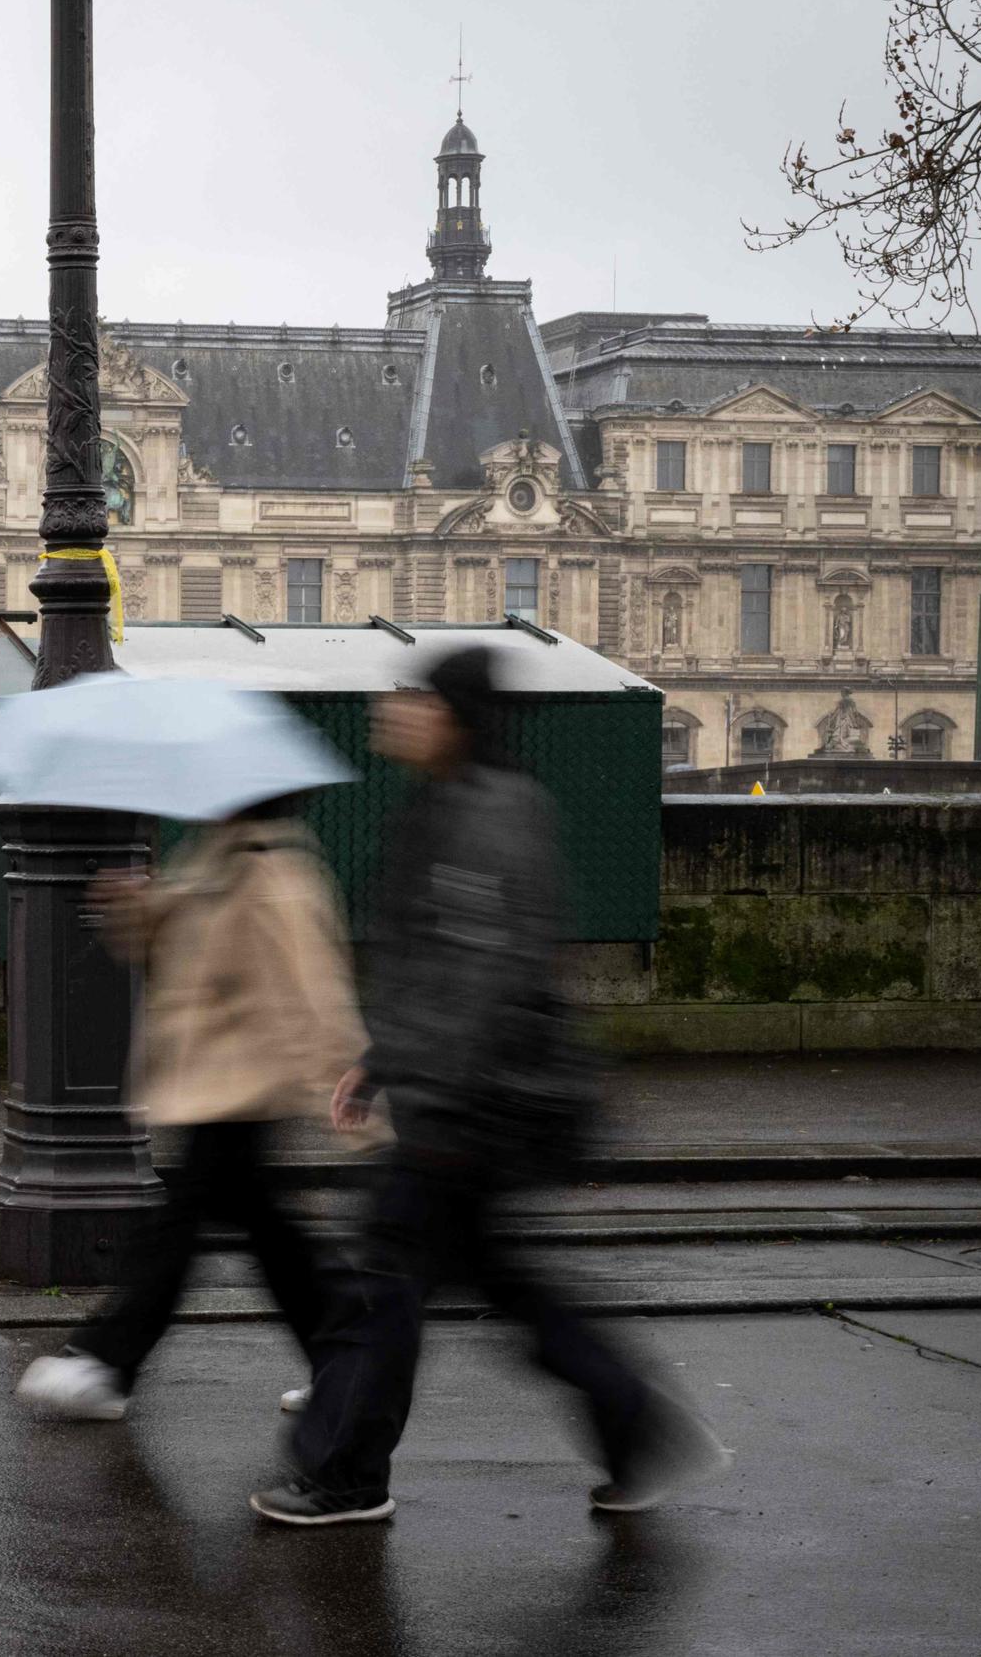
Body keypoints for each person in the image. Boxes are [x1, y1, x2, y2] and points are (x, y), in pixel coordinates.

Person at [252, 645, 728, 1527]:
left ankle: (346, 1476)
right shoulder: (462, 803)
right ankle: (635, 1426)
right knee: (501, 1284)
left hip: (463, 1105)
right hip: (459, 1094)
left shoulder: (486, 815)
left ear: (453, 718)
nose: (391, 709)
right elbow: (446, 964)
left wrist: (427, 1088)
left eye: (413, 697)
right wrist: (383, 1060)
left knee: (384, 1289)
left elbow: (482, 970)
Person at [15, 791, 365, 1424]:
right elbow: (171, 948)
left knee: (182, 1228)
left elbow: (314, 989)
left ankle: (107, 1360)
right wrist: (134, 906)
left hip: (243, 1085)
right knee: (269, 1233)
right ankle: (345, 1362)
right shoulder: (216, 856)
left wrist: (342, 1075)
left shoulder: (272, 869)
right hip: (211, 1080)